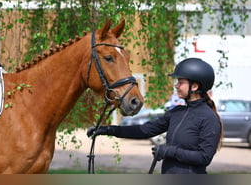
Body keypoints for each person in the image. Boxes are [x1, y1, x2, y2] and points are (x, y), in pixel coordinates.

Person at [87, 58, 223, 174]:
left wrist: (170, 151)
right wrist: (108, 130)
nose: (176, 86)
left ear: (194, 87)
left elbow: (204, 157)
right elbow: (145, 130)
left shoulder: (209, 118)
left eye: (180, 82)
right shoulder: (176, 112)